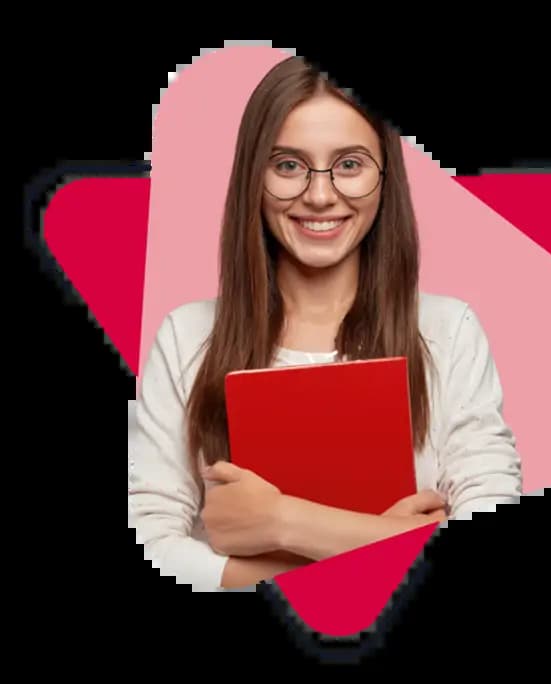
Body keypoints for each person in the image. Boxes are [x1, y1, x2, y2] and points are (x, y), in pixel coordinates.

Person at [128, 55, 523, 592]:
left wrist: (282, 520)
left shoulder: (448, 331)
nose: (319, 195)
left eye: (350, 164)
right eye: (288, 165)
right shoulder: (188, 336)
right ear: (254, 176)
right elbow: (148, 542)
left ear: (386, 178)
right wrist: (388, 541)